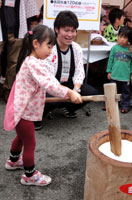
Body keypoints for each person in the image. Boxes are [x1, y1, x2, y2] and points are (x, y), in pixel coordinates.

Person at [3, 25, 82, 186]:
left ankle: (13, 161)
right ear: (36, 44)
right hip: (23, 111)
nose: (51, 50)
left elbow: (50, 79)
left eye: (52, 46)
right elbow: (50, 85)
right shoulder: (33, 63)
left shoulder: (34, 61)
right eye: (49, 45)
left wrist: (68, 90)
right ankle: (29, 175)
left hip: (22, 109)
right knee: (30, 142)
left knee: (21, 137)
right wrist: (69, 93)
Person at [35, 10, 98, 130]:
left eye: (73, 31)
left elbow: (80, 71)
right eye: (66, 30)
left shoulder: (76, 48)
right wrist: (67, 93)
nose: (70, 34)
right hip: (50, 86)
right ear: (57, 29)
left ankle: (68, 108)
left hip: (68, 84)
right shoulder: (49, 48)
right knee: (51, 98)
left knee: (90, 92)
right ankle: (37, 117)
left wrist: (76, 89)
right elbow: (47, 78)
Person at [0, 0, 39, 102]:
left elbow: (30, 9)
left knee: (14, 62)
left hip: (17, 29)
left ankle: (8, 89)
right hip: (1, 29)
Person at [106, 26, 132, 113]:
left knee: (125, 92)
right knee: (112, 91)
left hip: (125, 77)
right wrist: (109, 71)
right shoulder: (115, 48)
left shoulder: (130, 50)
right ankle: (109, 104)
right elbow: (110, 60)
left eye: (125, 37)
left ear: (129, 39)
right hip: (114, 75)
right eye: (120, 36)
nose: (122, 39)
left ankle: (125, 105)